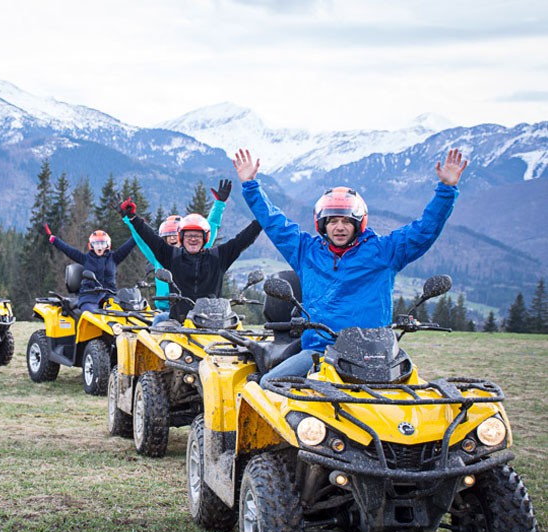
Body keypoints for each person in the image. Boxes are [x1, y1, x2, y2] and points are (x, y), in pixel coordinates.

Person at [233, 147, 469, 386]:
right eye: (333, 221)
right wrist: (250, 185)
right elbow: (274, 223)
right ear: (322, 224)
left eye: (347, 220)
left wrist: (446, 190)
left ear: (358, 223)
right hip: (319, 353)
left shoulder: (384, 252)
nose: (339, 227)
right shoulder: (305, 252)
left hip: (375, 356)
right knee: (269, 385)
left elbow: (424, 230)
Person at [120, 197, 262, 324]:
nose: (193, 239)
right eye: (188, 235)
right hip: (178, 323)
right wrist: (133, 218)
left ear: (205, 238)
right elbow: (150, 238)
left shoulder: (218, 257)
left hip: (213, 322)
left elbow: (242, 241)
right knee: (158, 331)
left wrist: (261, 220)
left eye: (197, 236)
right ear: (181, 237)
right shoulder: (171, 256)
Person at [122, 179, 232, 324]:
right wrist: (128, 218)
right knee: (158, 320)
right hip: (168, 311)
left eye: (175, 235)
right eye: (168, 236)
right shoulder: (159, 257)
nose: (173, 239)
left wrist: (219, 204)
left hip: (199, 311)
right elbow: (141, 238)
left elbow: (210, 226)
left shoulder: (197, 253)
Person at [44, 225, 137, 313]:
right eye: (96, 243)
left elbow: (129, 245)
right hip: (89, 296)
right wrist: (53, 239)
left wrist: (139, 229)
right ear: (91, 245)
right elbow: (68, 249)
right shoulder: (85, 259)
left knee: (120, 314)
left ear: (107, 245)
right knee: (92, 315)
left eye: (102, 243)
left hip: (110, 296)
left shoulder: (114, 258)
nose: (99, 246)